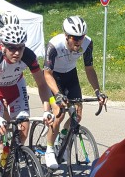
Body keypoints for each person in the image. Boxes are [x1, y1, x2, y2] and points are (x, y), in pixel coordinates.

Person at [0, 24, 54, 177]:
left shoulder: (28, 56)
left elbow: (41, 84)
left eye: (20, 48)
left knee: (23, 130)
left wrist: (47, 110)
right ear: (3, 46)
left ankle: (7, 157)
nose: (17, 52)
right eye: (12, 48)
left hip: (16, 87)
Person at [43, 16, 108, 169]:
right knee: (59, 113)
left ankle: (61, 141)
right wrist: (58, 94)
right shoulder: (54, 45)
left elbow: (89, 68)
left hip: (71, 75)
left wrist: (97, 91)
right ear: (66, 36)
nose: (78, 41)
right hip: (54, 77)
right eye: (74, 38)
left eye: (81, 37)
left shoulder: (87, 43)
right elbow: (46, 73)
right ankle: (50, 149)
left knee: (76, 115)